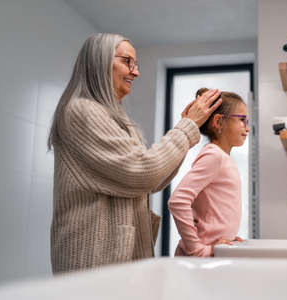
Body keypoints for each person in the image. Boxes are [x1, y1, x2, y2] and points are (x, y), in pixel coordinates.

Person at [47, 33, 221, 273]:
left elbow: (152, 181)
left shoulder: (116, 119)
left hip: (117, 262)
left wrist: (186, 126)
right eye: (127, 62)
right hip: (93, 263)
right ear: (99, 62)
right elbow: (142, 173)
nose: (135, 72)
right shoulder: (82, 111)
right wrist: (187, 127)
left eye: (135, 64)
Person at [168, 88, 250, 257]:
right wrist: (197, 249)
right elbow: (177, 201)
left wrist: (228, 238)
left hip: (212, 255)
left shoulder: (222, 158)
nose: (247, 128)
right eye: (242, 120)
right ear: (219, 122)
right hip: (200, 259)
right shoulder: (214, 156)